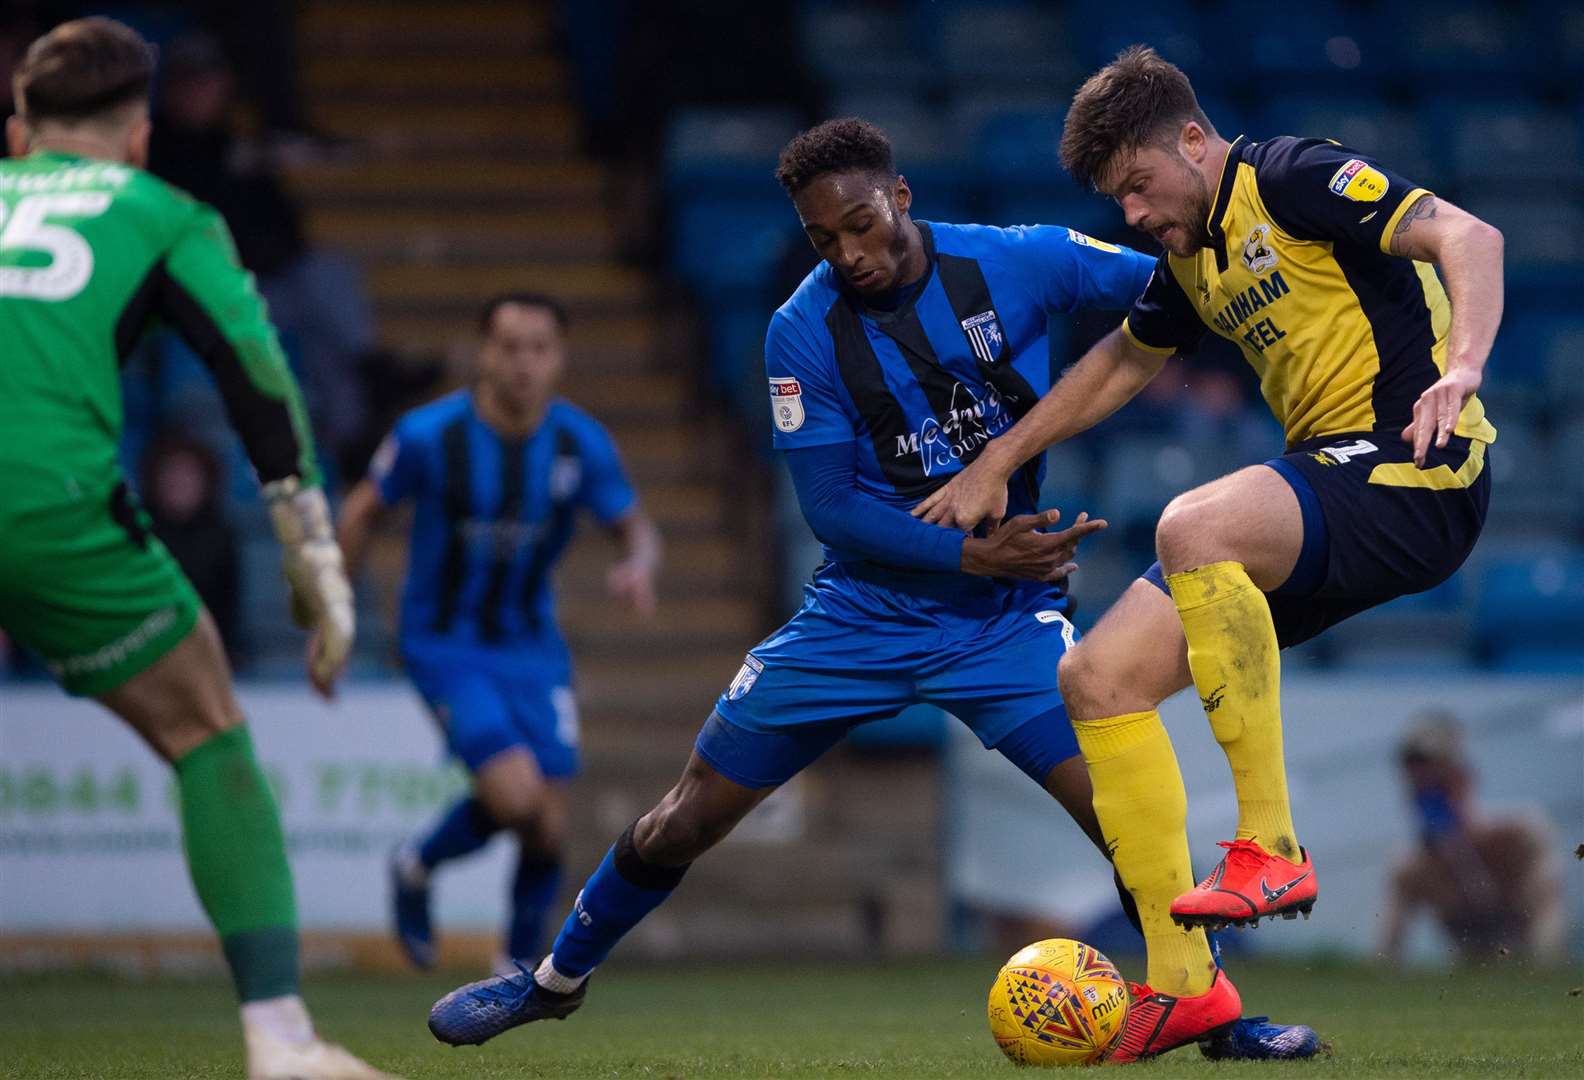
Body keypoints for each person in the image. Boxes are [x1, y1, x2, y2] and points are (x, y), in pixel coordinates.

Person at [426, 118, 1317, 1061]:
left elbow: (1174, 288)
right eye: (823, 239)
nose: (848, 253)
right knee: (685, 818)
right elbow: (833, 510)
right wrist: (974, 556)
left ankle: (1210, 1010)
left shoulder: (1021, 261)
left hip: (1002, 628)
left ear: (900, 196)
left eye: (860, 224)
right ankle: (553, 980)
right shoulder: (800, 333)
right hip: (857, 617)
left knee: (1121, 820)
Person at [915, 45, 1501, 1058]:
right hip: (1333, 484)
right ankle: (1186, 986)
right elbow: (1119, 363)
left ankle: (1269, 844)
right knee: (1095, 678)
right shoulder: (1194, 251)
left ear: (1194, 140)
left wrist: (1461, 370)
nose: (1135, 215)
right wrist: (999, 459)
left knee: (1193, 524)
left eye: (1138, 186)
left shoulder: (1289, 174)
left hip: (1420, 468)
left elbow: (1472, 235)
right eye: (1118, 200)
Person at [0, 18, 393, 1080]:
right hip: (43, 503)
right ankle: (281, 1039)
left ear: (17, 130)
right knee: (209, 732)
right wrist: (317, 569)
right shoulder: (165, 212)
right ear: (138, 135)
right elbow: (261, 392)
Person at [335, 292, 663, 973]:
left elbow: (634, 527)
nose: (523, 363)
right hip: (444, 642)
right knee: (516, 798)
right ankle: (419, 864)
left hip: (531, 646)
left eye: (538, 349)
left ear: (559, 359)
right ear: (484, 354)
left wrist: (637, 564)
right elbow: (363, 510)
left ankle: (512, 969)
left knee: (547, 824)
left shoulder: (579, 442)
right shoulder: (431, 437)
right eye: (509, 347)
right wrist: (335, 614)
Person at [1380, 712, 1564, 966]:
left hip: (1528, 971)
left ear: (1465, 778)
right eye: (1418, 783)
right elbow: (1386, 953)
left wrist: (1544, 969)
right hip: (1473, 976)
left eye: (1440, 782)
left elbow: (1547, 916)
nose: (1426, 785)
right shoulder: (1412, 869)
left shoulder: (1520, 838)